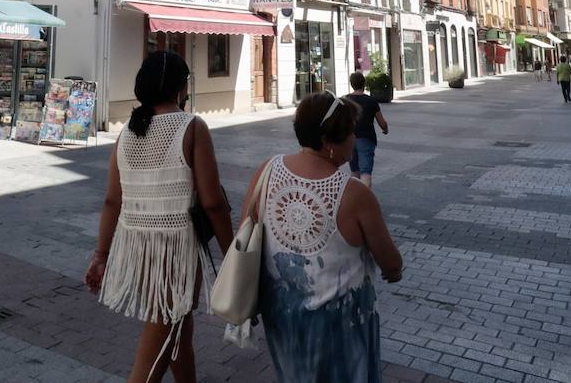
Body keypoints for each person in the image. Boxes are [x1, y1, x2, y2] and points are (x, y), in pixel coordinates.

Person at [85, 52, 233, 383]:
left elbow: (112, 200)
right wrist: (232, 254)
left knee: (178, 330)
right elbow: (213, 203)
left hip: (135, 246)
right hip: (176, 249)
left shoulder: (126, 132)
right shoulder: (192, 127)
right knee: (162, 339)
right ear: (182, 88)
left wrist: (101, 254)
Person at [239, 91, 404, 382]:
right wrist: (394, 271)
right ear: (331, 142)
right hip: (340, 324)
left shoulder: (267, 171)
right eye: (351, 132)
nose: (354, 139)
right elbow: (389, 261)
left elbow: (245, 231)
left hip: (283, 315)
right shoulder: (354, 194)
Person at [344, 72, 389, 187]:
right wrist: (385, 129)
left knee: (354, 172)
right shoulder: (371, 101)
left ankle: (355, 199)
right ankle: (365, 201)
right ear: (364, 84)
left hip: (349, 139)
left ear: (351, 84)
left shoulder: (345, 100)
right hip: (366, 138)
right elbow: (382, 122)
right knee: (365, 173)